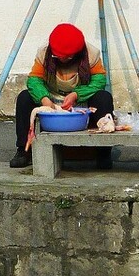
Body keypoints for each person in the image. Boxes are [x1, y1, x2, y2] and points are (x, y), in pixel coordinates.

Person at [11, 23, 114, 170]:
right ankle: (24, 150)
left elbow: (99, 81)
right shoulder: (43, 54)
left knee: (104, 97)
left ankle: (103, 153)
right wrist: (44, 99)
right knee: (24, 98)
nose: (63, 60)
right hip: (51, 98)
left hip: (81, 99)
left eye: (67, 57)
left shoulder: (91, 54)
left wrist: (76, 94)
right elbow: (34, 81)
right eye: (58, 56)